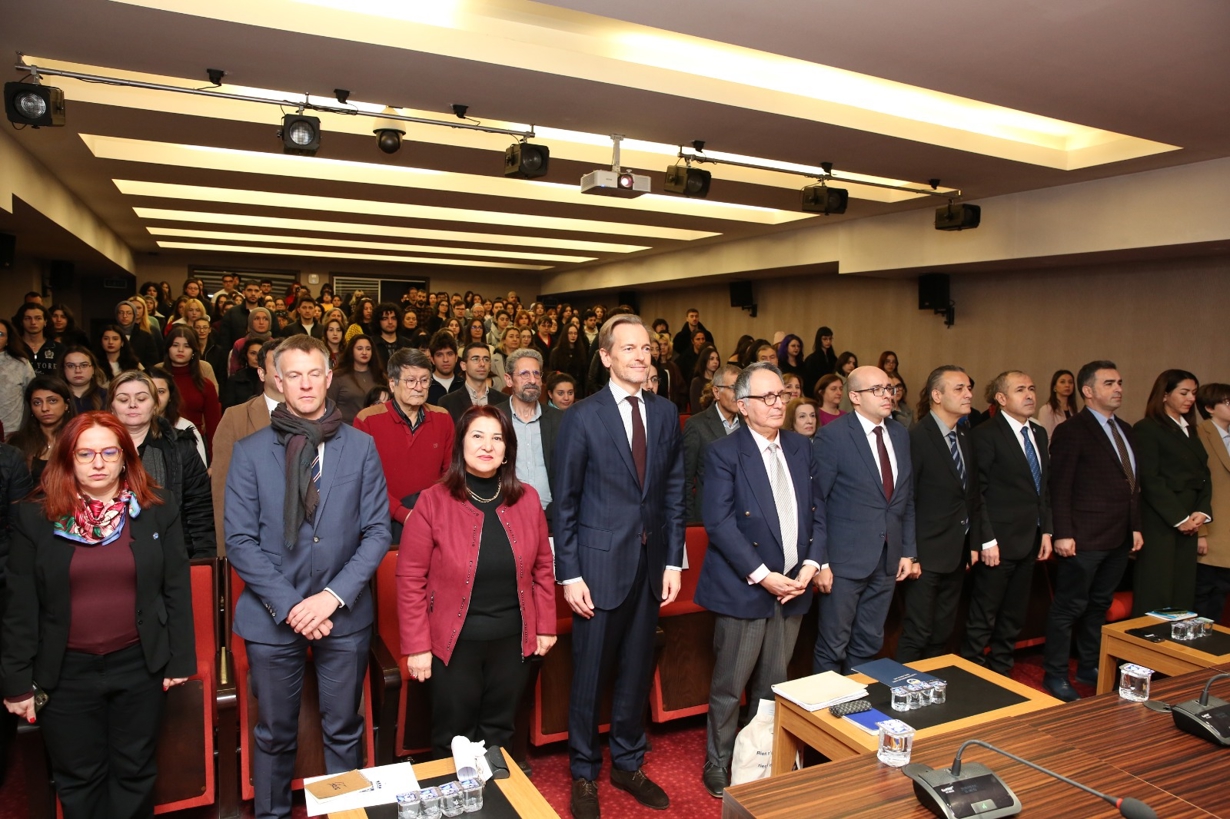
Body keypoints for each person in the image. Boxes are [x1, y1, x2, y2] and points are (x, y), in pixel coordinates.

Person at [224, 335, 390, 819]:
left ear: (328, 375)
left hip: (344, 612)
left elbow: (377, 531)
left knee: (344, 728)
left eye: (313, 373)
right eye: (292, 374)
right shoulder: (250, 451)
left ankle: (344, 814)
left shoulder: (361, 447)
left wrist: (332, 597)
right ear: (277, 379)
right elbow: (239, 541)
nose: (304, 383)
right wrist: (295, 605)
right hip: (272, 616)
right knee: (275, 733)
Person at [0, 411, 194, 818]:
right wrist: (16, 682)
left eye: (109, 451)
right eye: (85, 454)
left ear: (126, 457)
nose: (99, 462)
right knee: (79, 777)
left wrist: (180, 659)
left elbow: (175, 588)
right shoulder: (35, 516)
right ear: (68, 458)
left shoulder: (157, 508)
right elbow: (20, 605)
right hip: (65, 672)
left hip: (139, 664)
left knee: (135, 772)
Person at [552, 314, 685, 819]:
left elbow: (673, 493)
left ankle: (628, 763)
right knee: (589, 676)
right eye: (627, 348)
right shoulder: (582, 416)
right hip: (597, 569)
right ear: (605, 356)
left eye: (646, 347)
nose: (640, 355)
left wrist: (674, 560)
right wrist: (571, 573)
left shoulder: (667, 413)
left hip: (651, 567)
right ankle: (584, 773)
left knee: (635, 672)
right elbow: (563, 502)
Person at [396, 406, 557, 756]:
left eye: (497, 438)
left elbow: (543, 567)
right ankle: (457, 807)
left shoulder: (527, 499)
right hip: (454, 643)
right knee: (454, 736)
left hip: (513, 641)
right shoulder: (433, 501)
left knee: (501, 732)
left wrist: (545, 625)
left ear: (506, 450)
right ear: (461, 446)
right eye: (478, 436)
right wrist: (417, 646)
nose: (488, 445)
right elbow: (410, 579)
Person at [695, 363, 821, 797]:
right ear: (743, 406)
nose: (777, 404)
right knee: (731, 684)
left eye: (781, 395)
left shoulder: (802, 448)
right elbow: (719, 523)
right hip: (745, 587)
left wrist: (811, 565)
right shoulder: (723, 453)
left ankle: (762, 756)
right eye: (766, 397)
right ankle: (718, 761)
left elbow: (818, 514)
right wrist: (765, 576)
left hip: (794, 588)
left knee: (774, 684)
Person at [1043, 360, 1142, 702]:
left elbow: (1131, 484)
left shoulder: (1125, 429)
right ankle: (1055, 674)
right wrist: (1063, 533)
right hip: (1083, 536)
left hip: (1118, 537)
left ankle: (1089, 665)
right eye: (1110, 383)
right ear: (1088, 391)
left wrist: (1135, 528)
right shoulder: (1073, 429)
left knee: (1100, 605)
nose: (1118, 388)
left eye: (1120, 382)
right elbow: (1060, 486)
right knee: (1069, 606)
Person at [811, 365, 916, 673]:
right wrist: (822, 561)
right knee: (833, 644)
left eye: (889, 388)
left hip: (887, 559)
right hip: (843, 562)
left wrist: (908, 550)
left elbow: (905, 498)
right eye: (877, 390)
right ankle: (824, 716)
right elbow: (817, 503)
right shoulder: (833, 437)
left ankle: (858, 709)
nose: (887, 395)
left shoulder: (899, 433)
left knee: (869, 641)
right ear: (854, 396)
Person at [961, 371, 1053, 674]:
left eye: (1032, 388)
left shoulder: (1038, 433)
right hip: (997, 541)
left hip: (1029, 538)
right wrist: (986, 539)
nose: (1029, 395)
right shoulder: (985, 434)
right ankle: (972, 671)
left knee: (1014, 613)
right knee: (984, 613)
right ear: (1001, 399)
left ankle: (1002, 669)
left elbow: (1043, 489)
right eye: (1019, 390)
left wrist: (1047, 531)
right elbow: (978, 492)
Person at [897, 366, 981, 662]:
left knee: (942, 631)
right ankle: (901, 693)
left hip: (956, 552)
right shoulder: (917, 437)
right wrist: (911, 553)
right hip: (925, 553)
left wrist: (972, 544)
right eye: (959, 388)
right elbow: (907, 499)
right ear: (936, 395)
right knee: (918, 631)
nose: (968, 394)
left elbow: (971, 494)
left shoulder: (964, 434)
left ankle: (932, 689)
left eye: (968, 388)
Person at [109, 370, 216, 558]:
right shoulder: (94, 449)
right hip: (109, 554)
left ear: (155, 404)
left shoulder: (180, 447)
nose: (133, 405)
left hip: (169, 554)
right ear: (111, 406)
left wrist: (203, 561)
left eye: (141, 399)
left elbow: (200, 511)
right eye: (123, 400)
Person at [1132, 369, 1211, 616]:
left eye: (1193, 393)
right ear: (1165, 395)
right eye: (1184, 392)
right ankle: (1145, 649)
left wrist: (1202, 511)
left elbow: (1204, 476)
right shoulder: (1148, 428)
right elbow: (1150, 478)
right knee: (1157, 586)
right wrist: (1179, 517)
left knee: (1182, 587)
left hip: (1190, 519)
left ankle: (1173, 649)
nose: (1190, 399)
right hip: (1161, 519)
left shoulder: (1190, 429)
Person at [354, 348, 454, 541]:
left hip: (433, 519)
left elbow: (450, 473)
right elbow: (364, 482)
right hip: (380, 523)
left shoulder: (442, 418)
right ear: (392, 383)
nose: (419, 387)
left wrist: (431, 512)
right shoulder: (367, 420)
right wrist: (404, 514)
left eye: (425, 380)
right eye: (410, 381)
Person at [210, 339, 282, 549]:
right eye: (277, 364)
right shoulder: (236, 418)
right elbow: (222, 488)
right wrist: (226, 548)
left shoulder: (316, 417)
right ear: (261, 373)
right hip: (255, 542)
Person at [498, 349, 563, 524]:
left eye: (536, 374)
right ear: (509, 379)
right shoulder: (494, 418)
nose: (533, 381)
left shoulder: (560, 420)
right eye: (524, 374)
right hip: (505, 517)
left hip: (551, 518)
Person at [682, 363, 742, 523]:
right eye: (733, 388)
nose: (739, 394)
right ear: (716, 391)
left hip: (744, 516)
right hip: (709, 517)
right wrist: (690, 521)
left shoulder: (749, 424)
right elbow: (685, 480)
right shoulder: (697, 425)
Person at [1195, 384, 1230, 621]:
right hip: (1211, 527)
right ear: (1209, 408)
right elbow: (1194, 487)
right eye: (1227, 402)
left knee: (1221, 595)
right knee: (1202, 593)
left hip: (1227, 535)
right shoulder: (1199, 434)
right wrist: (1200, 532)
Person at [164, 326, 221, 461]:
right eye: (175, 345)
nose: (180, 350)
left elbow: (214, 427)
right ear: (167, 348)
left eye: (187, 346)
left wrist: (214, 463)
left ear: (194, 351)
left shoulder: (205, 385)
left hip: (194, 447)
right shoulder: (155, 382)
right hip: (160, 445)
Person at [7, 375, 75, 483]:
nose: (44, 408)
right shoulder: (18, 442)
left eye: (52, 401)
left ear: (66, 404)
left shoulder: (80, 439)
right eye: (37, 403)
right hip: (28, 499)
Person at [149, 365, 208, 468]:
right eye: (149, 390)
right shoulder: (127, 427)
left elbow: (199, 477)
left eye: (161, 391)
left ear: (170, 396)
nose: (155, 397)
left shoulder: (185, 428)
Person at [439, 341, 511, 422]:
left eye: (486, 359)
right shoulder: (448, 402)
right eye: (475, 359)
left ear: (490, 365)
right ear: (463, 366)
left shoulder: (504, 400)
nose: (482, 364)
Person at [328, 335, 385, 424]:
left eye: (368, 349)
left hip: (375, 428)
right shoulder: (338, 377)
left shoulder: (380, 376)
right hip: (346, 430)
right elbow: (328, 407)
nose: (364, 352)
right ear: (351, 351)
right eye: (359, 348)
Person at [0, 318, 35, 435]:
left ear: (8, 340)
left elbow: (32, 396)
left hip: (11, 432)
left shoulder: (21, 364)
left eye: (0, 334)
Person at [15, 303, 65, 376]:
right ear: (21, 322)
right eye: (28, 318)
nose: (33, 322)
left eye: (38, 318)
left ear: (45, 321)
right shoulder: (13, 347)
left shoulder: (59, 349)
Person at [60, 346, 108, 414]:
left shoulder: (106, 396)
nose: (78, 370)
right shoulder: (55, 396)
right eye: (71, 366)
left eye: (84, 365)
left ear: (93, 369)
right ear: (63, 369)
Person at [114, 300, 161, 371]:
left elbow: (152, 360)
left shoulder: (145, 336)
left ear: (134, 315)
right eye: (121, 312)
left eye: (129, 313)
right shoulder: (109, 334)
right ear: (116, 315)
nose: (125, 316)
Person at [222, 338, 265, 409]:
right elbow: (228, 409)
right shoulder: (234, 380)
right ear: (246, 355)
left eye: (260, 354)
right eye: (253, 353)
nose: (257, 358)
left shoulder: (271, 379)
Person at [1038, 369, 1079, 440]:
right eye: (1062, 382)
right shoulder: (1046, 409)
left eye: (1070, 382)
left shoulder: (1075, 410)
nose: (1067, 385)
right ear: (1054, 387)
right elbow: (1045, 438)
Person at [426, 331, 463, 405]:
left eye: (449, 354)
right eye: (439, 355)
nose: (445, 359)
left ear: (456, 357)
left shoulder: (464, 385)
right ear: (432, 359)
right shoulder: (425, 386)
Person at [802, 326, 837, 393]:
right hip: (817, 393)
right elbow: (808, 381)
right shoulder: (811, 359)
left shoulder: (833, 359)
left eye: (830, 339)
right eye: (825, 339)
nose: (828, 341)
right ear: (819, 339)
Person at [690, 345, 721, 414]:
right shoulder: (697, 382)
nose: (715, 362)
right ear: (704, 360)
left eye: (717, 359)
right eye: (711, 359)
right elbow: (695, 408)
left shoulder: (720, 381)